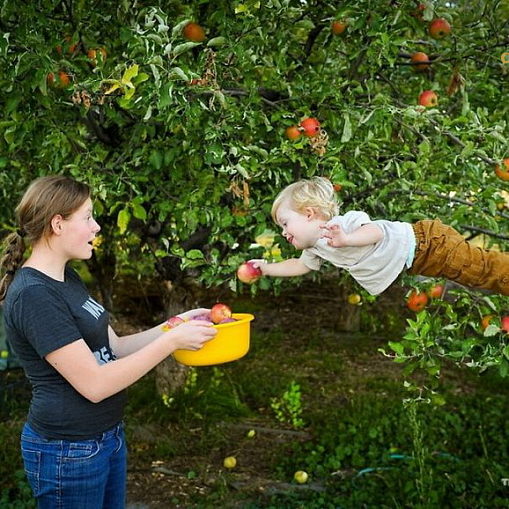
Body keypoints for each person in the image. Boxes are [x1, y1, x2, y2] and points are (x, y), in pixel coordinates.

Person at [0, 175, 217, 508]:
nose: (97, 227)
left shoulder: (66, 277)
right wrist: (172, 343)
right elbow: (94, 384)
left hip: (107, 436)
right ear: (58, 224)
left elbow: (114, 348)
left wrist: (175, 324)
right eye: (87, 217)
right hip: (68, 451)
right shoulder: (34, 296)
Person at [247, 176, 509, 296]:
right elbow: (299, 266)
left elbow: (376, 231)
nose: (283, 232)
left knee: (485, 271)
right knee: (480, 276)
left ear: (308, 213)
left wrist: (347, 239)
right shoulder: (315, 248)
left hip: (430, 244)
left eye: (285, 223)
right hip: (426, 260)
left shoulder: (340, 225)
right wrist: (266, 269)